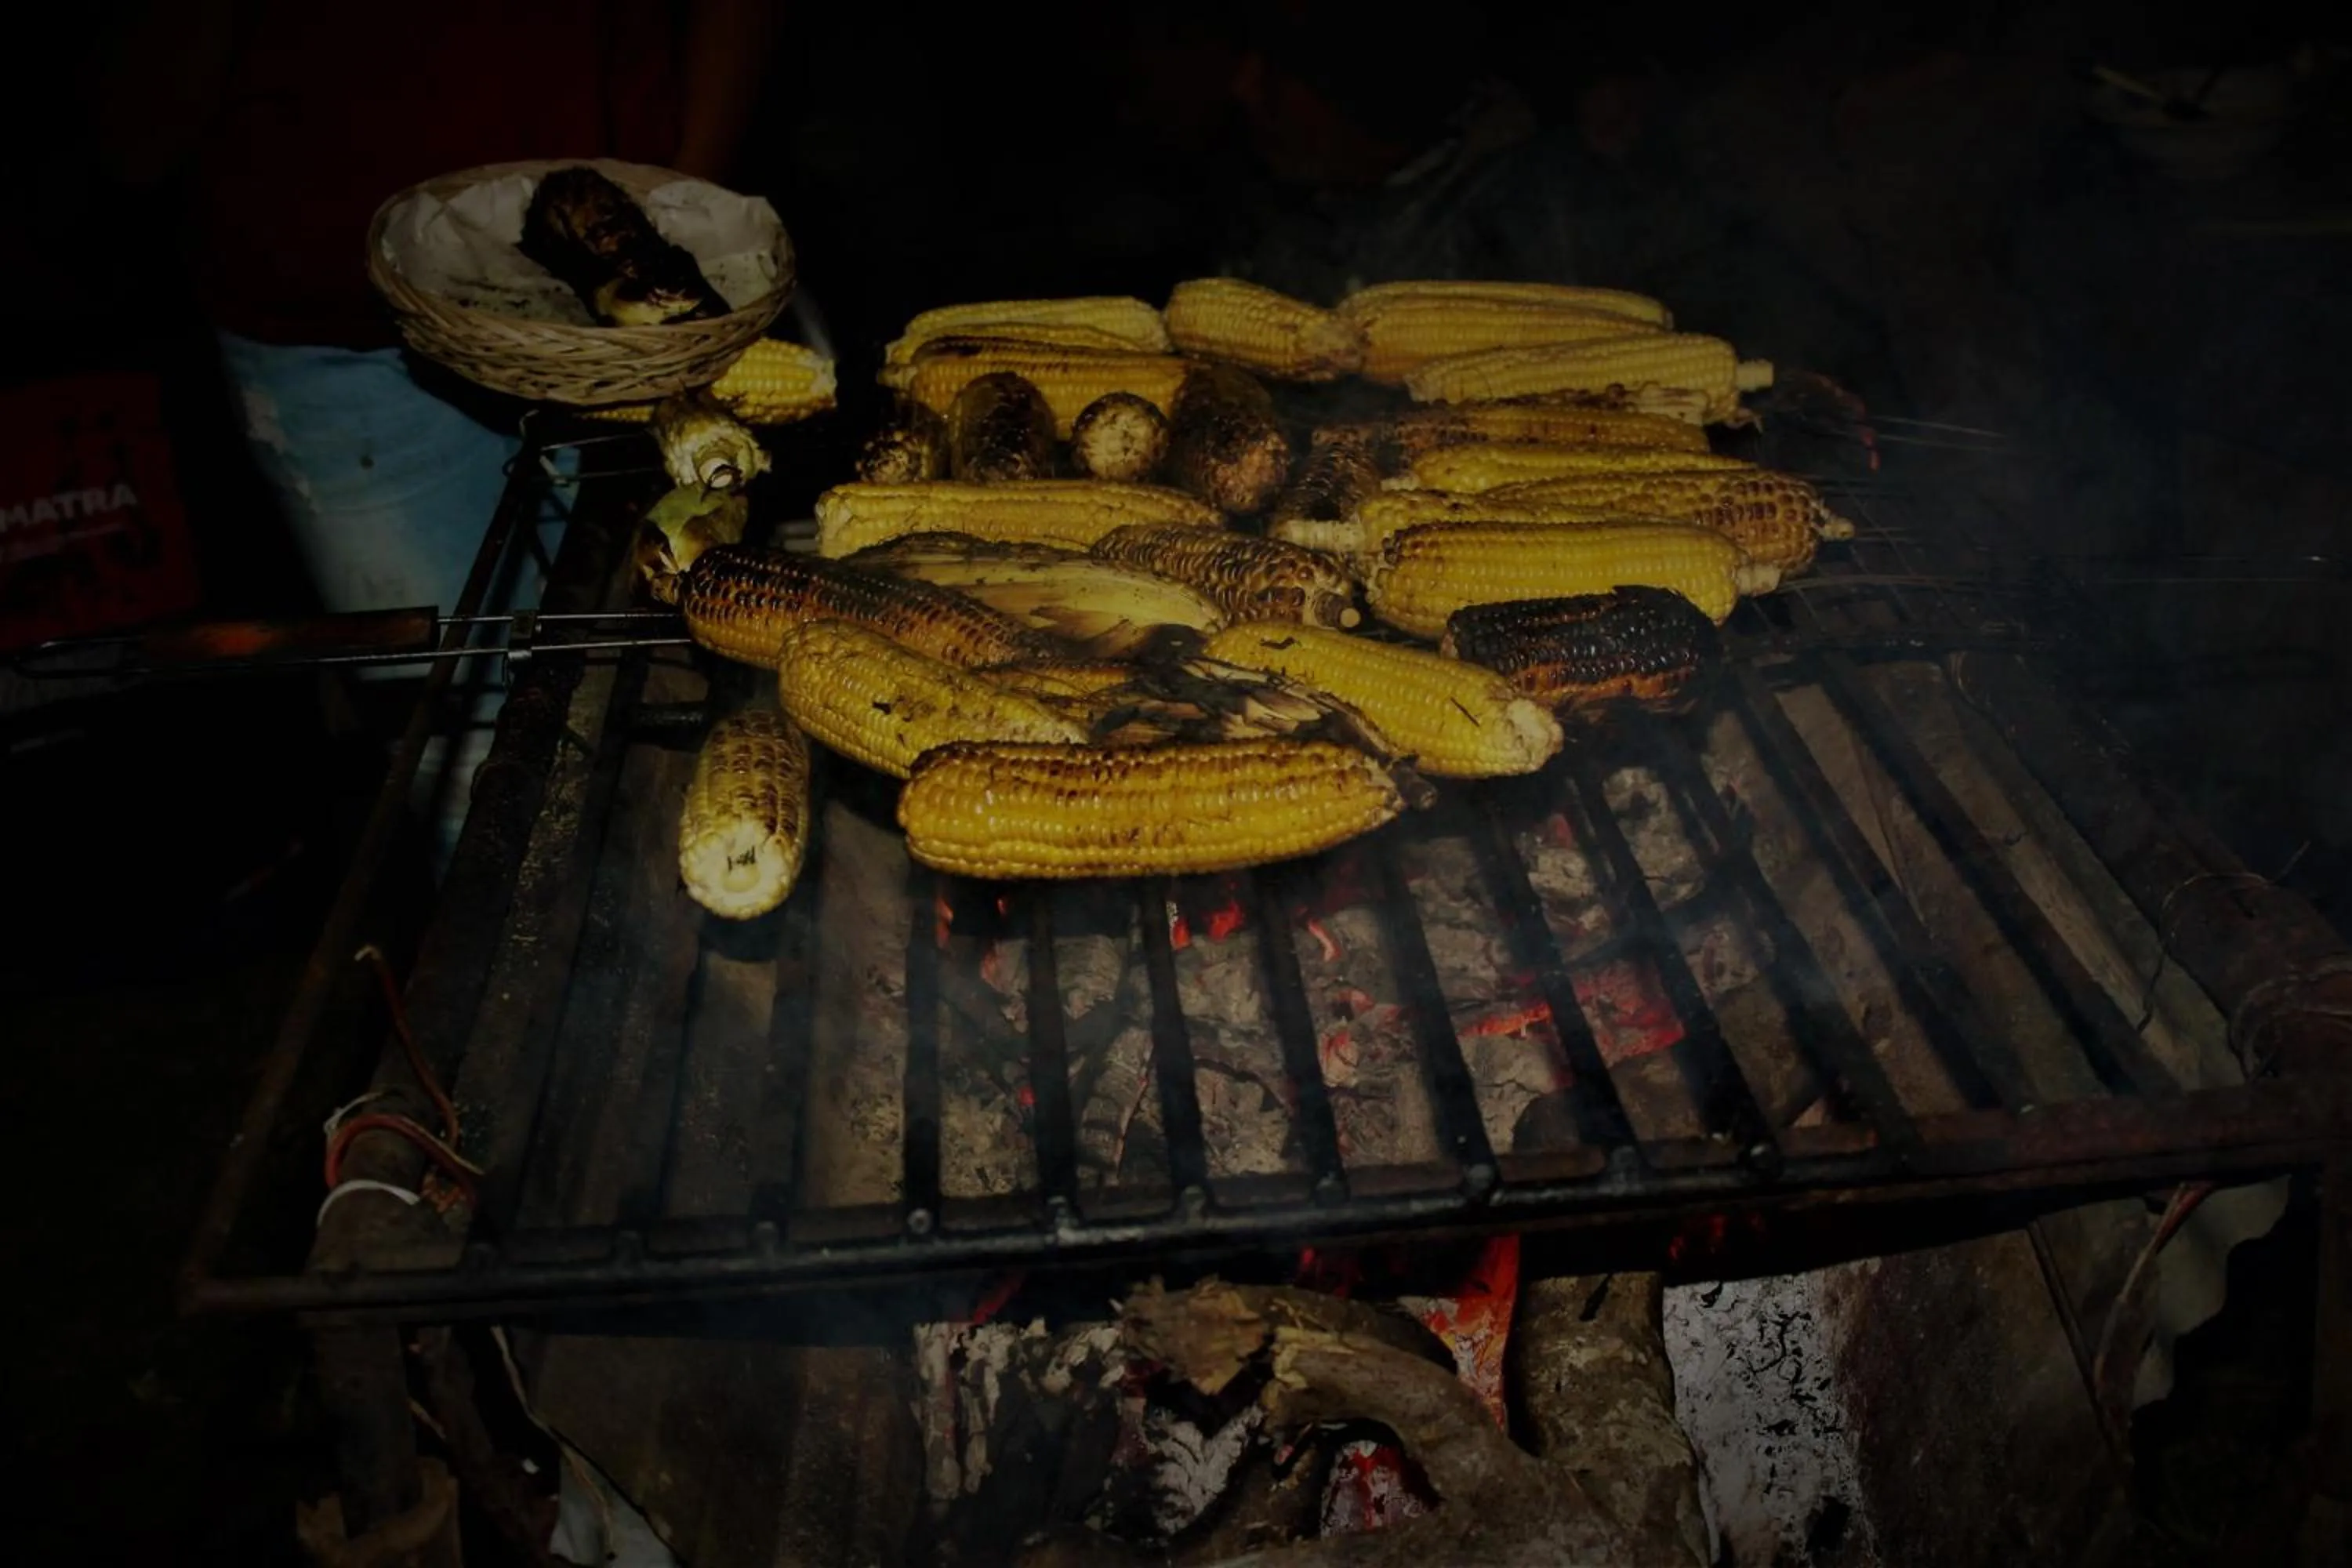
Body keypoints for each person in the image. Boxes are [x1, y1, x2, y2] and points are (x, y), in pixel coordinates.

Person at [91, 0, 779, 866]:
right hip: (333, 334)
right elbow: (130, 146)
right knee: (482, 776)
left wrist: (671, 224)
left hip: (638, 314)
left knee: (677, 706)